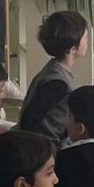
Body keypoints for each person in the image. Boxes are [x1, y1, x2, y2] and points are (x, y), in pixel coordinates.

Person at [17, 11, 85, 142]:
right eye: (86, 38)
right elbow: (29, 120)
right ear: (73, 49)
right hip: (44, 146)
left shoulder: (54, 70)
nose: (88, 41)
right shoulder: (57, 82)